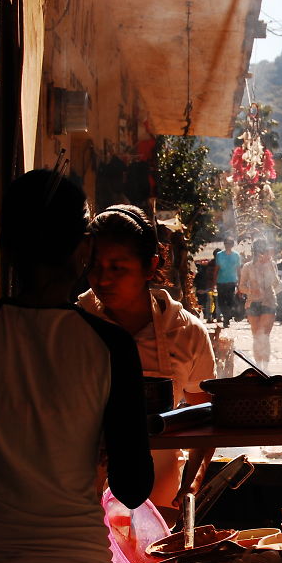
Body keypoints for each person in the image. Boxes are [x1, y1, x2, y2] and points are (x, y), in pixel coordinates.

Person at [0, 170, 154, 563]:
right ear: (83, 250)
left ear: (5, 248)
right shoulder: (110, 346)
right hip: (75, 560)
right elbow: (132, 486)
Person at [78, 204, 216, 509]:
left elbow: (206, 415)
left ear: (150, 267)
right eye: (93, 266)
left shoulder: (185, 332)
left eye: (117, 267)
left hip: (160, 496)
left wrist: (193, 480)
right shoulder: (72, 325)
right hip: (78, 499)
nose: (102, 279)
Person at [239, 238, 282, 371]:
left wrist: (269, 266)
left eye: (262, 250)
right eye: (258, 251)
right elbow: (241, 286)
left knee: (264, 334)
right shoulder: (247, 266)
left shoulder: (271, 264)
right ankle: (258, 366)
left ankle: (265, 365)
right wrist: (251, 290)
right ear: (254, 252)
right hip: (253, 301)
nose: (260, 254)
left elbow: (276, 283)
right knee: (256, 335)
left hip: (268, 301)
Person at [215, 235, 242, 327]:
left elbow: (238, 270)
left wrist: (240, 282)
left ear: (233, 245)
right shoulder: (219, 255)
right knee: (221, 301)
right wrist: (214, 282)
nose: (228, 245)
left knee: (230, 300)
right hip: (221, 281)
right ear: (224, 244)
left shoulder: (236, 255)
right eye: (226, 243)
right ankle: (226, 316)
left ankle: (227, 317)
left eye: (230, 243)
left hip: (232, 281)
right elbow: (217, 269)